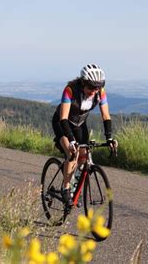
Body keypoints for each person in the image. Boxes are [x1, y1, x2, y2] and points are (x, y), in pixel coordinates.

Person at [52, 64, 118, 206]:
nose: (94, 91)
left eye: (97, 87)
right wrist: (71, 140)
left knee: (83, 155)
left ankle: (75, 185)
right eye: (90, 87)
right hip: (62, 123)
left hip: (79, 124)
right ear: (82, 83)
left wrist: (109, 137)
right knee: (72, 153)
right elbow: (63, 117)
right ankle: (66, 188)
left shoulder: (100, 92)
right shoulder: (70, 90)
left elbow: (106, 116)